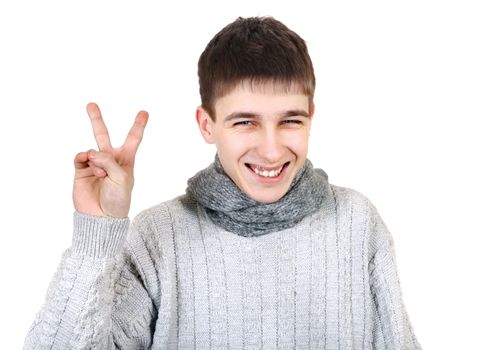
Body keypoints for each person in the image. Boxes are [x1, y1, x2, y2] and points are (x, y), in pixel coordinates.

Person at [24, 16, 421, 349]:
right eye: (245, 122)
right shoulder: (158, 237)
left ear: (311, 116)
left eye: (290, 120)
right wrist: (98, 230)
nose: (270, 149)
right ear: (206, 124)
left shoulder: (356, 224)